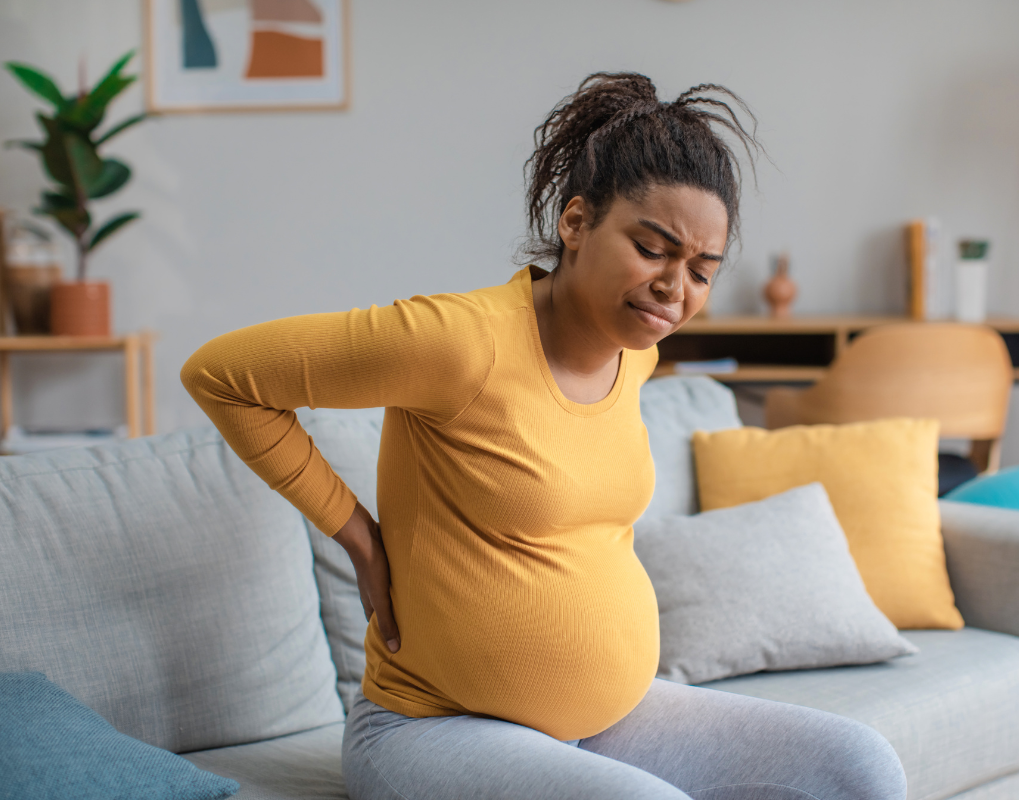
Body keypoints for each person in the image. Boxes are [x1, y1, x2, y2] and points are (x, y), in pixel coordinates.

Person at [181, 71, 906, 800]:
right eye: (653, 248)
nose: (674, 288)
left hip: (609, 720)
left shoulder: (637, 353)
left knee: (861, 764)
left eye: (700, 270)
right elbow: (222, 375)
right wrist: (359, 538)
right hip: (428, 728)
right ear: (576, 222)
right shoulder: (460, 342)